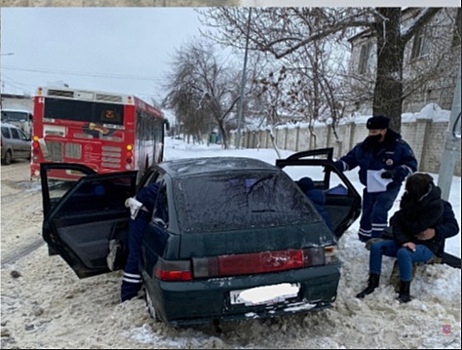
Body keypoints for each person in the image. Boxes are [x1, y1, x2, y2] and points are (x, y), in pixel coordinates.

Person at [356, 173, 459, 303]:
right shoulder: (408, 202)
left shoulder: (442, 206)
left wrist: (435, 232)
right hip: (405, 241)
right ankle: (372, 283)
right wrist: (404, 240)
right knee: (376, 246)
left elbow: (454, 227)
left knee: (403, 254)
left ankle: (405, 292)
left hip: (429, 245)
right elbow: (396, 223)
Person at [334, 115, 418, 242]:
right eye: (370, 131)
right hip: (371, 185)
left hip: (389, 186)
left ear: (384, 130)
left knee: (379, 211)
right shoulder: (364, 146)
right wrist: (337, 166)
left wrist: (395, 172)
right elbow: (351, 159)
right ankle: (365, 239)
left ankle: (378, 240)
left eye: (374, 132)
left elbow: (411, 165)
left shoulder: (399, 147)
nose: (371, 134)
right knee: (367, 211)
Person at [121, 182, 160, 302]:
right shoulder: (172, 186)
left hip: (147, 205)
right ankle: (128, 296)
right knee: (136, 254)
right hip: (141, 211)